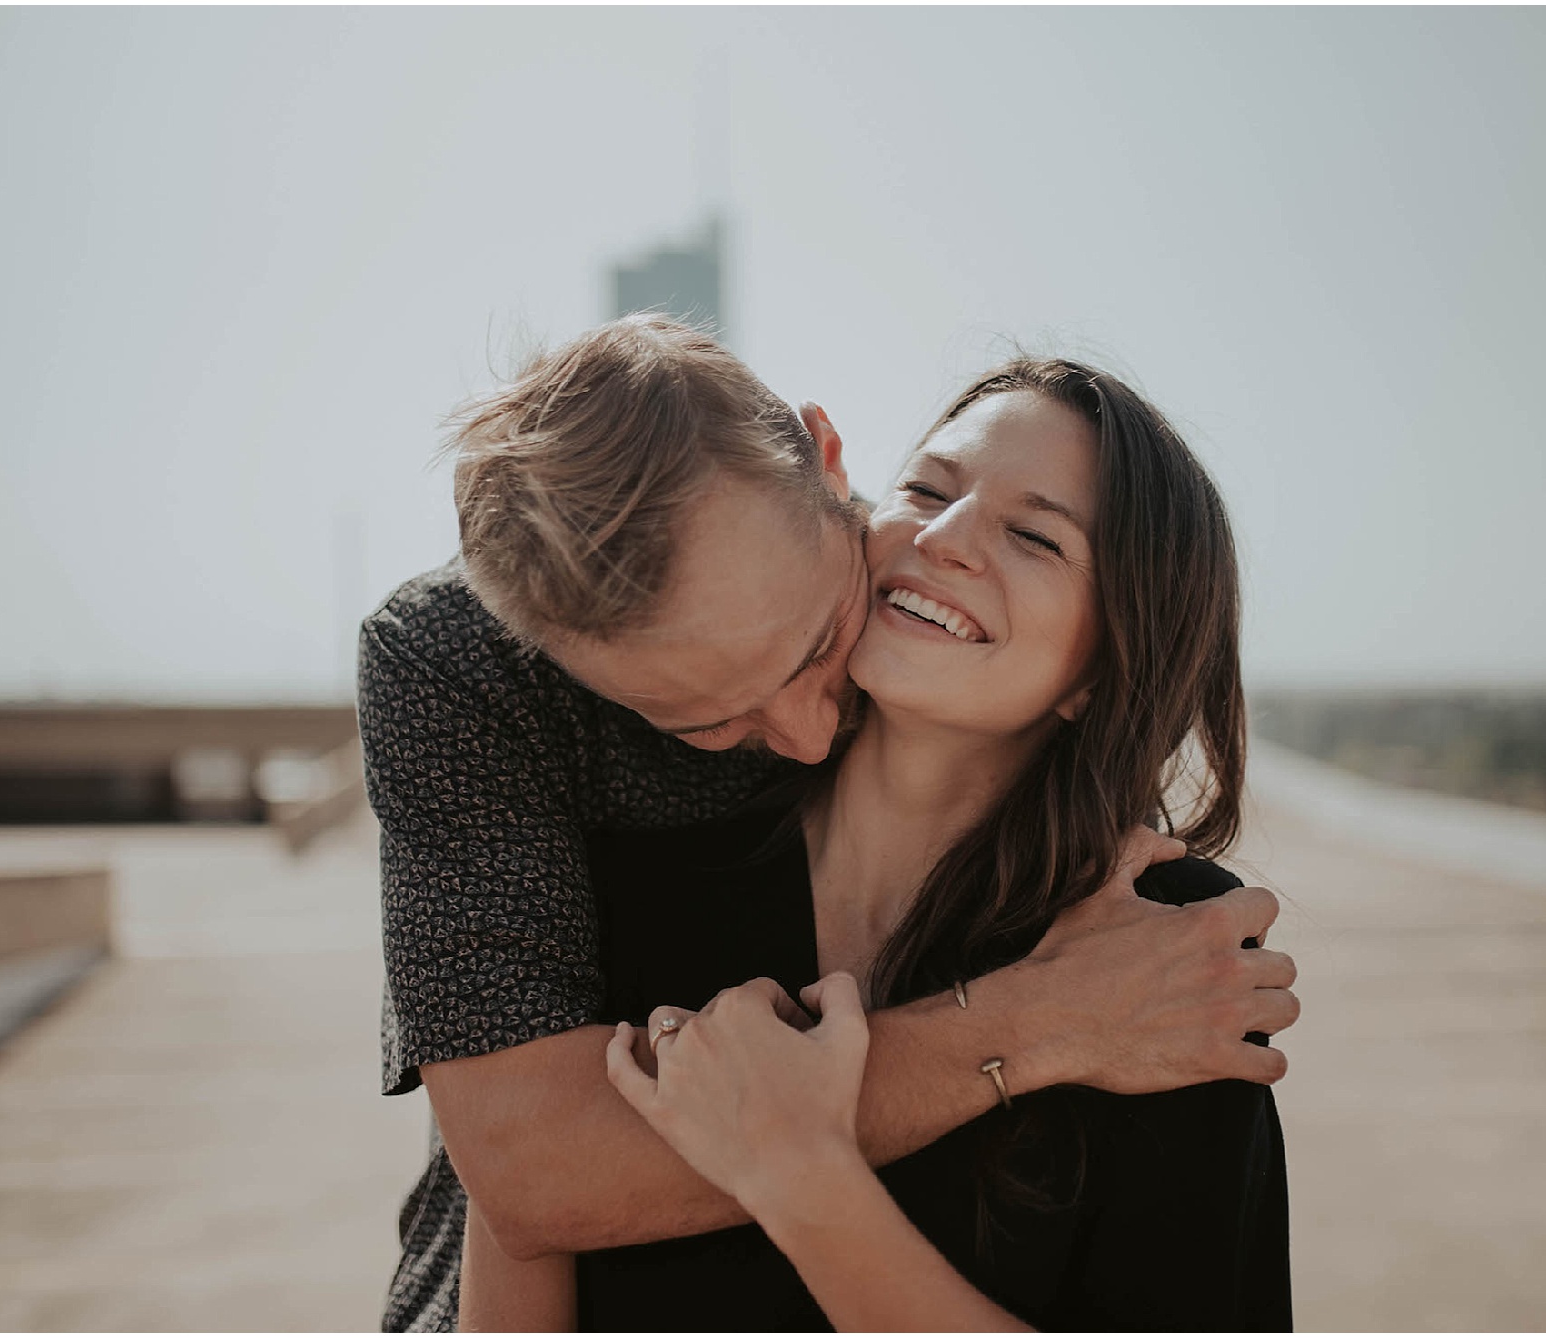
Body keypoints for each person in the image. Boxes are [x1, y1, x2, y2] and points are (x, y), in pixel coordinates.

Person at [359, 318, 1298, 1331]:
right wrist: (1025, 1028)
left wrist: (798, 1173)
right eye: (929, 492)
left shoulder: (1159, 946)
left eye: (1035, 536)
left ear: (1111, 664)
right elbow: (534, 1202)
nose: (942, 540)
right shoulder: (630, 872)